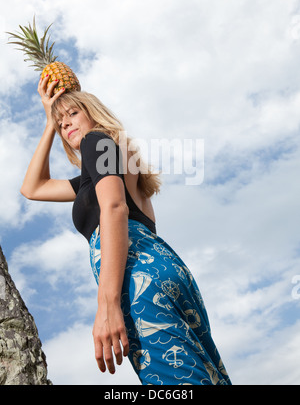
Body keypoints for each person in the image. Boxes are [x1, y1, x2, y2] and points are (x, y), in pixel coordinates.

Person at [20, 76, 231, 385]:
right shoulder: (113, 161)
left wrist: (107, 305)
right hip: (166, 267)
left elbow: (115, 208)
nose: (67, 125)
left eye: (73, 114)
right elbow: (33, 188)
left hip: (137, 276)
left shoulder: (97, 141)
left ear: (92, 111)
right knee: (203, 373)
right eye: (62, 124)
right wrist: (51, 120)